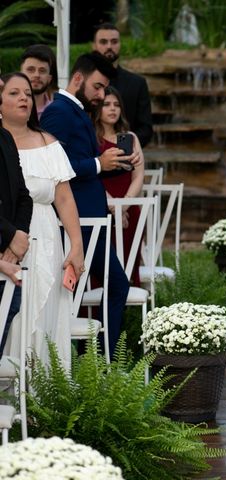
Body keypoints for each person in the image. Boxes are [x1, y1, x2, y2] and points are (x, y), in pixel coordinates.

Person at [40, 52, 137, 358]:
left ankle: (89, 359)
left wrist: (119, 163)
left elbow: (86, 164)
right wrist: (98, 163)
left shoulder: (78, 110)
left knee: (97, 290)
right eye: (97, 87)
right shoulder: (58, 112)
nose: (101, 95)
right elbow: (56, 166)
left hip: (92, 219)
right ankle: (103, 363)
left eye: (105, 89)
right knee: (115, 286)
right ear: (79, 78)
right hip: (78, 221)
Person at [0, 72, 83, 367]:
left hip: (46, 236)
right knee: (13, 312)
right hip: (7, 234)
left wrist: (76, 245)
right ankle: (12, 396)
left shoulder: (49, 143)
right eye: (14, 93)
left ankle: (46, 395)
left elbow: (65, 198)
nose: (24, 97)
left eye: (26, 93)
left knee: (45, 309)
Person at [94, 86, 145, 286]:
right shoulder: (92, 139)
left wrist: (123, 206)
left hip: (129, 210)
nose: (113, 109)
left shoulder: (131, 138)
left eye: (116, 105)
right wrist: (112, 206)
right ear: (98, 108)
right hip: (101, 207)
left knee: (127, 265)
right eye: (107, 105)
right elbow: (92, 175)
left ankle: (127, 312)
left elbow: (138, 176)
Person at [0, 73, 33, 359]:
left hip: (11, 256)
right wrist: (11, 235)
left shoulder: (5, 138)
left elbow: (24, 195)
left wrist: (19, 237)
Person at [92, 23, 153, 148]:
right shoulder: (84, 84)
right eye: (103, 42)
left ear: (120, 44)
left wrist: (123, 147)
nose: (109, 46)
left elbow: (146, 128)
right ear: (94, 46)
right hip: (91, 156)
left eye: (114, 42)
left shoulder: (137, 83)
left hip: (128, 156)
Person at [20, 44, 58, 119]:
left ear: (49, 78)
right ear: (20, 73)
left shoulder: (57, 113)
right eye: (30, 69)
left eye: (42, 71)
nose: (37, 75)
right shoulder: (5, 109)